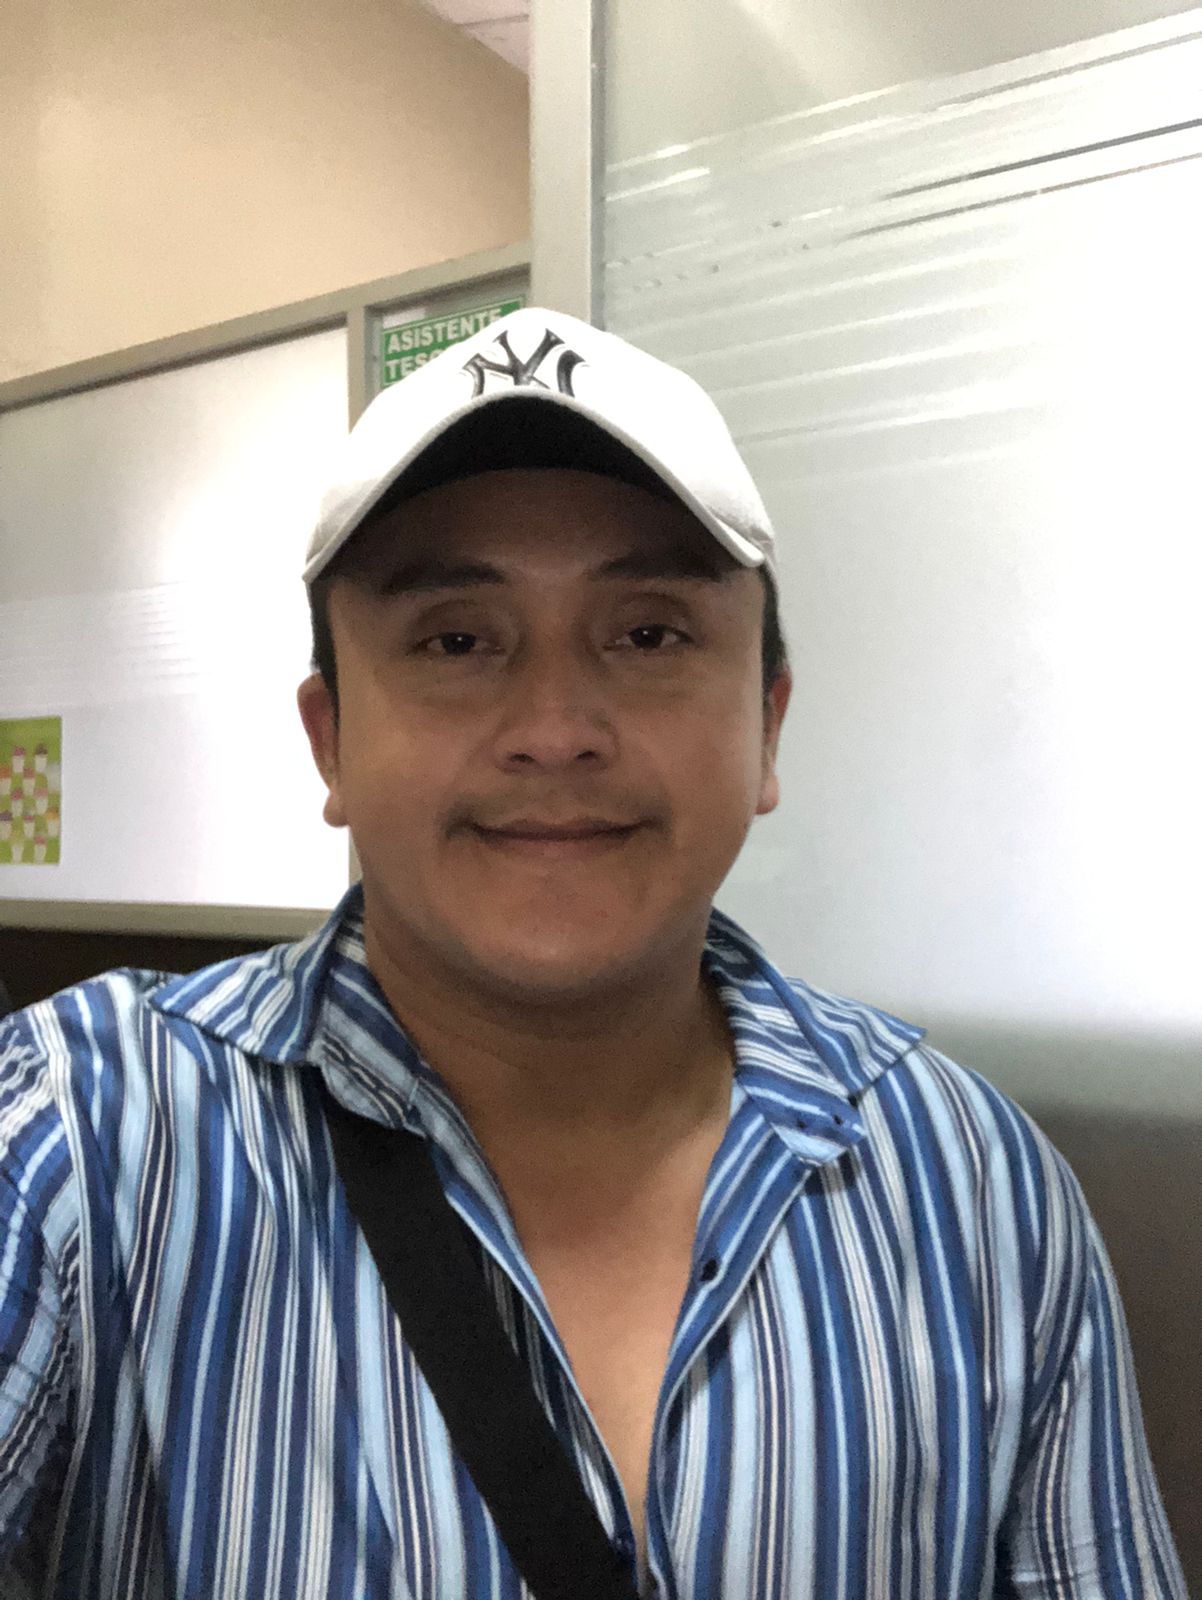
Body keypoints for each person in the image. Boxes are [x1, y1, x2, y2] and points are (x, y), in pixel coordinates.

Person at [0, 309, 1185, 1600]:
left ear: (767, 723)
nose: (557, 727)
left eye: (648, 634)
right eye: (457, 640)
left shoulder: (976, 1192)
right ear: (329, 739)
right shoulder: (86, 1145)